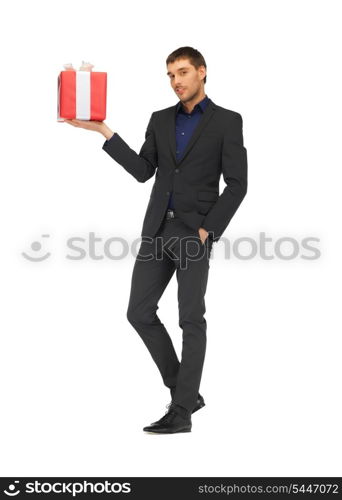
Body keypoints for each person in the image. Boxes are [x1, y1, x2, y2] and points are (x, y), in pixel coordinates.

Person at [64, 46, 248, 434]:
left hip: (193, 233)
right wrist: (102, 129)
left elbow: (237, 184)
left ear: (202, 72)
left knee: (190, 319)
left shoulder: (228, 122)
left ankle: (181, 413)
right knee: (138, 312)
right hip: (156, 232)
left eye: (182, 72)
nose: (175, 81)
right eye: (169, 75)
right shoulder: (160, 119)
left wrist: (207, 230)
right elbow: (144, 171)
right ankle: (185, 391)